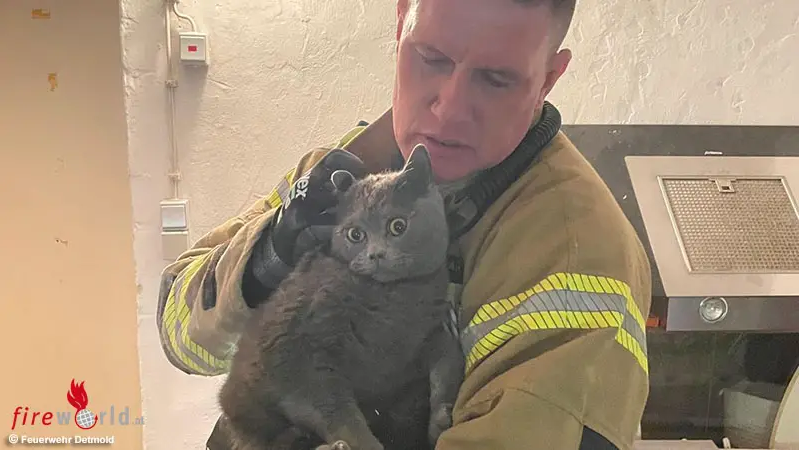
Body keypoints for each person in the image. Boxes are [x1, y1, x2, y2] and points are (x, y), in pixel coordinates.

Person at [155, 0, 653, 448]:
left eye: (495, 79)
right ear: (399, 25)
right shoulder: (343, 169)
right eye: (431, 58)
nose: (449, 108)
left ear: (548, 77)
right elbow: (182, 338)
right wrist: (262, 263)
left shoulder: (575, 249)